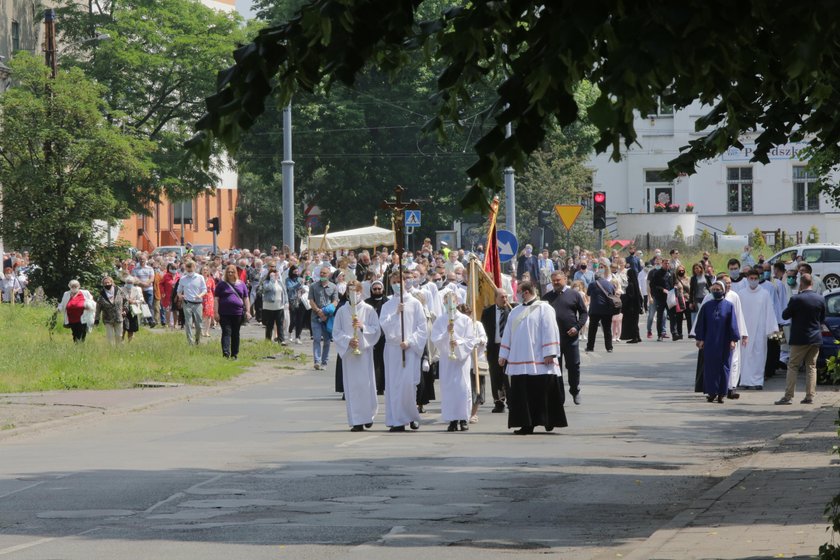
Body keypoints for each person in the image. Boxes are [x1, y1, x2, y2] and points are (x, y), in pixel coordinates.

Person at [498, 280, 567, 435]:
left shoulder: (545, 308)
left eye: (519, 291)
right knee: (522, 393)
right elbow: (507, 334)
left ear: (526, 292)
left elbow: (550, 329)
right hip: (519, 359)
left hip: (540, 359)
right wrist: (503, 354)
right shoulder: (515, 312)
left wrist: (550, 352)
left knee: (543, 391)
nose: (516, 295)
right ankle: (526, 424)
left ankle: (548, 420)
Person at [380, 270, 428, 432]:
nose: (396, 285)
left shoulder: (415, 304)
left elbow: (422, 328)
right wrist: (396, 313)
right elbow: (385, 326)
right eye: (393, 282)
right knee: (394, 385)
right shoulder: (387, 306)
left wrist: (410, 341)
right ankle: (397, 420)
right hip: (393, 350)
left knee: (408, 384)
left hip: (409, 349)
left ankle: (411, 415)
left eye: (399, 281)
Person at [433, 292, 487, 431]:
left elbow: (470, 339)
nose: (449, 304)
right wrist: (446, 333)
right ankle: (452, 419)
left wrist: (459, 343)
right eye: (446, 302)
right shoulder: (440, 320)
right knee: (449, 389)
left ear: (456, 302)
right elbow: (435, 339)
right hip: (447, 359)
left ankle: (463, 418)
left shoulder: (465, 320)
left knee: (463, 388)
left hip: (461, 359)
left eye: (451, 301)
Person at [333, 280, 382, 431]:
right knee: (352, 388)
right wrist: (348, 341)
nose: (353, 295)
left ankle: (368, 415)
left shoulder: (368, 309)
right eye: (350, 292)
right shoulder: (342, 311)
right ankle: (357, 420)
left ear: (361, 292)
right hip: (350, 355)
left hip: (364, 353)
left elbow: (376, 330)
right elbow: (336, 332)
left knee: (366, 385)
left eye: (357, 291)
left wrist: (363, 328)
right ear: (347, 293)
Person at [775, 273, 825, 405]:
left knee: (793, 366)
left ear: (801, 284)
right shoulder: (820, 299)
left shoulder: (796, 299)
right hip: (815, 338)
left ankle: (788, 396)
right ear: (812, 284)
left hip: (800, 338)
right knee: (811, 367)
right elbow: (822, 319)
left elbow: (785, 315)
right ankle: (810, 396)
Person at [545, 270, 588, 404]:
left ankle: (575, 390)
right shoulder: (546, 298)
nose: (556, 283)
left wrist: (577, 327)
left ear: (565, 279)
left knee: (573, 366)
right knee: (555, 369)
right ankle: (559, 396)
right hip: (553, 340)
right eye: (554, 281)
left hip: (570, 338)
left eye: (558, 280)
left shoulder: (574, 295)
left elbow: (583, 313)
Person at [694, 281, 741, 403]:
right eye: (713, 289)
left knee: (724, 367)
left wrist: (733, 340)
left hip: (724, 341)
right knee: (710, 367)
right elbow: (701, 324)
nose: (716, 291)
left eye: (718, 289)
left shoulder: (729, 306)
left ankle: (721, 393)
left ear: (723, 290)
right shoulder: (706, 306)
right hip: (709, 341)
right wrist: (700, 339)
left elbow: (733, 324)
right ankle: (711, 392)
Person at [737, 268, 778, 389]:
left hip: (760, 330)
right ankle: (745, 380)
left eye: (755, 278)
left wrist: (772, 328)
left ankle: (757, 381)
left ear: (758, 279)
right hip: (745, 330)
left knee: (759, 356)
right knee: (745, 356)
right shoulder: (741, 293)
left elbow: (770, 311)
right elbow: (738, 313)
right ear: (747, 279)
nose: (753, 281)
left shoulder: (764, 294)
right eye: (751, 278)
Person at [480, 289, 513, 413]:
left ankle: (511, 401)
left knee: (508, 375)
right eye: (502, 297)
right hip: (494, 348)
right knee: (495, 375)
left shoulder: (512, 311)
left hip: (509, 348)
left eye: (506, 297)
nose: (505, 299)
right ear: (495, 298)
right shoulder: (487, 312)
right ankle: (498, 402)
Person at [214, 264, 251, 360]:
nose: (230, 274)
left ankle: (234, 354)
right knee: (226, 332)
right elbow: (216, 299)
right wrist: (216, 312)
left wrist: (248, 311)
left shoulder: (241, 284)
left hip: (237, 313)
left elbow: (246, 298)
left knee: (235, 333)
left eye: (232, 272)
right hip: (224, 313)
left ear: (235, 272)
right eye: (228, 272)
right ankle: (226, 353)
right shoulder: (221, 284)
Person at [309, 266, 338, 370]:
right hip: (315, 317)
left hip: (327, 318)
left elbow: (335, 302)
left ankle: (324, 362)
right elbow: (311, 301)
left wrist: (326, 311)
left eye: (324, 273)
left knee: (326, 340)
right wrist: (318, 311)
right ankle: (317, 361)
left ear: (329, 275)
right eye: (321, 273)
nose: (322, 275)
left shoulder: (334, 287)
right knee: (316, 339)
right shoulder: (313, 286)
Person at [365, 280, 388, 395]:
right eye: (375, 289)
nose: (377, 291)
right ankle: (372, 384)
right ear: (371, 290)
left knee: (383, 361)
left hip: (384, 336)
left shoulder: (387, 302)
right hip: (370, 335)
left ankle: (382, 386)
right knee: (372, 361)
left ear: (383, 289)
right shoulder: (366, 303)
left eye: (379, 289)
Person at [176, 260, 207, 346]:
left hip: (198, 303)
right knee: (188, 323)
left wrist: (200, 295)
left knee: (199, 324)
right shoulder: (183, 278)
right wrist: (180, 296)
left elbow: (204, 290)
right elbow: (178, 291)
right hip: (187, 303)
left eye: (191, 268)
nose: (189, 270)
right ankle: (190, 342)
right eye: (188, 268)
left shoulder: (200, 277)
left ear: (194, 268)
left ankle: (197, 340)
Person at [585, 269, 617, 353]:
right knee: (607, 329)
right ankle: (609, 347)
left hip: (595, 309)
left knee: (592, 329)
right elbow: (613, 294)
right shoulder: (610, 284)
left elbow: (588, 294)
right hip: (607, 309)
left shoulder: (592, 284)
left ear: (595, 277)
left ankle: (590, 347)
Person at [260, 263, 288, 344]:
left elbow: (284, 292)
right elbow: (267, 289)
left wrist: (286, 302)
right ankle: (268, 340)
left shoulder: (279, 282)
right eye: (274, 274)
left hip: (279, 306)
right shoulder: (266, 282)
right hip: (269, 307)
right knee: (270, 324)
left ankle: (281, 340)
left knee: (280, 323)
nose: (276, 276)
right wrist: (272, 280)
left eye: (276, 274)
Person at [648, 256, 674, 341]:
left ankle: (674, 333)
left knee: (672, 316)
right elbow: (653, 285)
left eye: (668, 263)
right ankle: (660, 335)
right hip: (660, 298)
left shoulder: (671, 273)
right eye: (665, 263)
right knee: (660, 316)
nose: (667, 264)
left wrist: (676, 287)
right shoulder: (657, 273)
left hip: (670, 298)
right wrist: (662, 289)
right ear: (662, 263)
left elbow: (674, 283)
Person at [94, 275, 124, 345]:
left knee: (119, 335)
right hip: (107, 318)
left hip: (118, 316)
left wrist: (125, 310)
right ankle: (111, 350)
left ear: (112, 282)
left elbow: (125, 300)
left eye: (108, 282)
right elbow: (98, 308)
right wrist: (97, 319)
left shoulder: (119, 290)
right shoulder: (101, 294)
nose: (107, 284)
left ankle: (118, 348)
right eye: (105, 283)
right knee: (110, 336)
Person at [620, 266, 644, 344]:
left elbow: (630, 297)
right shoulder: (635, 284)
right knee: (635, 322)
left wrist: (621, 296)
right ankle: (638, 336)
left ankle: (634, 338)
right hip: (636, 307)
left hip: (631, 308)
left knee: (632, 323)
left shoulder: (631, 285)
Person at [121, 276, 144, 343]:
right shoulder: (121, 289)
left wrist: (134, 301)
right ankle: (121, 341)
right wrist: (126, 301)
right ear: (126, 282)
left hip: (133, 310)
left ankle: (129, 342)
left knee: (131, 328)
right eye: (128, 282)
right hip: (124, 310)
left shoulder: (136, 289)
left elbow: (141, 299)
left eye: (131, 282)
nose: (129, 284)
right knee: (123, 327)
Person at [201, 265, 216, 337]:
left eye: (206, 270)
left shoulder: (211, 280)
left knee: (209, 315)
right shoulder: (199, 279)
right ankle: (201, 331)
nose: (205, 271)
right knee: (200, 315)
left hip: (209, 298)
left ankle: (206, 331)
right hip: (200, 298)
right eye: (203, 269)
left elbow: (214, 290)